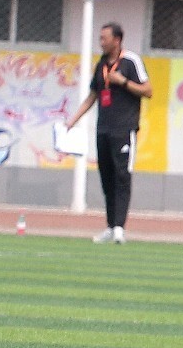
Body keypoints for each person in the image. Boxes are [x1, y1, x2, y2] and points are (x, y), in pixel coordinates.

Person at [64, 22, 153, 244]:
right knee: (107, 178)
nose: (101, 42)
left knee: (122, 176)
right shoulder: (101, 64)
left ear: (117, 40)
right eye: (100, 38)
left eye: (104, 38)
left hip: (124, 129)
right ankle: (111, 226)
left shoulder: (130, 61)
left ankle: (120, 228)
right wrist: (73, 120)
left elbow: (148, 90)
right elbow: (93, 95)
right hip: (103, 129)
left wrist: (123, 82)